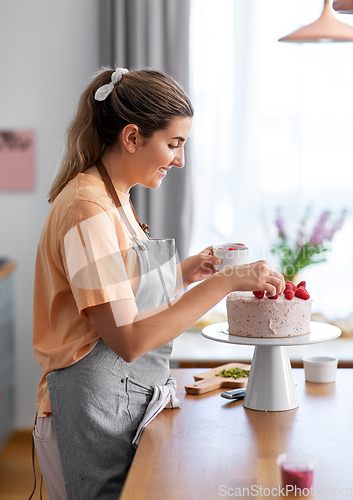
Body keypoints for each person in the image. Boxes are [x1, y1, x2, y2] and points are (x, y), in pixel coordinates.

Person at [32, 67, 284, 500]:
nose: (180, 160)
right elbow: (128, 338)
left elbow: (122, 293)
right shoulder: (87, 210)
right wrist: (224, 282)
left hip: (118, 404)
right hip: (90, 411)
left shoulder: (115, 199)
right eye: (173, 144)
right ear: (132, 137)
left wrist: (187, 272)